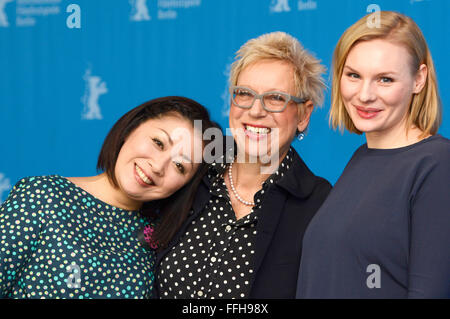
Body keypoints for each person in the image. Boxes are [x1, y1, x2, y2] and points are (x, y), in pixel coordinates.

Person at [155, 32, 332, 299]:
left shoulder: (320, 205)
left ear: (304, 115)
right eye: (244, 93)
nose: (256, 111)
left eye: (275, 98)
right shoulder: (193, 169)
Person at [0, 96, 218, 299]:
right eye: (158, 143)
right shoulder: (43, 196)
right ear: (131, 129)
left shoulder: (166, 241)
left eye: (180, 166)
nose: (158, 166)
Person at [297, 11, 450, 298]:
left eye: (385, 80)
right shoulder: (362, 158)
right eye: (354, 75)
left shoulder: (437, 164)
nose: (365, 95)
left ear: (419, 79)